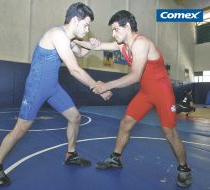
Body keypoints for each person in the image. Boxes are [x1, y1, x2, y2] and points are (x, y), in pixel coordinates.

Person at [0, 2, 112, 186]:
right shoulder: (57, 35)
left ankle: (71, 154)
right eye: (86, 24)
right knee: (21, 129)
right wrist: (97, 87)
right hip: (37, 87)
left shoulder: (69, 39)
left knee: (75, 117)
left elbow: (80, 53)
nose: (87, 29)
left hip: (52, 87)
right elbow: (74, 69)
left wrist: (91, 46)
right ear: (76, 20)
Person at [74, 10, 192, 188]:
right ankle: (116, 158)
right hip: (145, 92)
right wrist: (72, 39)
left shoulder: (141, 43)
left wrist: (107, 85)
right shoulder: (122, 45)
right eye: (112, 31)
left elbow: (136, 75)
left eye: (115, 30)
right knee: (125, 123)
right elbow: (97, 47)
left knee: (170, 133)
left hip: (162, 92)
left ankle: (184, 168)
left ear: (127, 26)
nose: (113, 34)